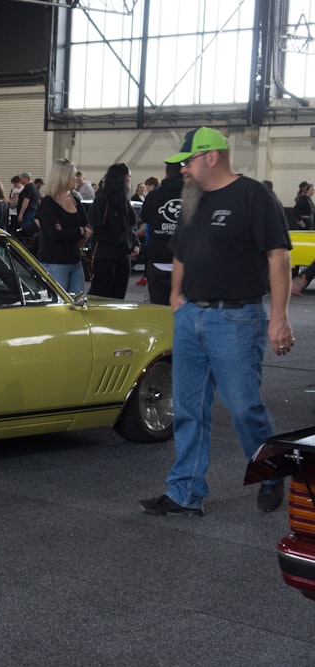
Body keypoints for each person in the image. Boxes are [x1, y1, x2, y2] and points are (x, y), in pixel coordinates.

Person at [140, 126, 294, 517]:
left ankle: (272, 470)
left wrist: (279, 319)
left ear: (212, 156)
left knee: (244, 407)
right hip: (191, 315)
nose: (184, 171)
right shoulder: (192, 200)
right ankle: (184, 493)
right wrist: (177, 296)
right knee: (189, 408)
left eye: (188, 162)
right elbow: (181, 254)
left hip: (237, 318)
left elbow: (278, 257)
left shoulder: (253, 195)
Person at [35, 158, 91, 293]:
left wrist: (70, 231)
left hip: (75, 262)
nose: (77, 178)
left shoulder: (76, 200)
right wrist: (80, 231)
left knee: (77, 306)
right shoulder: (48, 203)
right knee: (59, 308)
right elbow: (54, 236)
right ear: (63, 177)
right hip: (55, 263)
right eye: (74, 175)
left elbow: (88, 230)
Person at [87, 163, 139, 299]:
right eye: (128, 176)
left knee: (118, 298)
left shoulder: (124, 201)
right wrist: (121, 242)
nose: (130, 180)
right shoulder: (102, 200)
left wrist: (135, 244)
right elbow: (97, 228)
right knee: (101, 297)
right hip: (106, 258)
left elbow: (130, 229)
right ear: (120, 178)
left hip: (123, 258)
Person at [139, 162, 184, 305]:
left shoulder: (153, 196)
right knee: (182, 312)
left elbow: (144, 217)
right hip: (183, 261)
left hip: (157, 260)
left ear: (166, 173)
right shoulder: (192, 195)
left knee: (158, 311)